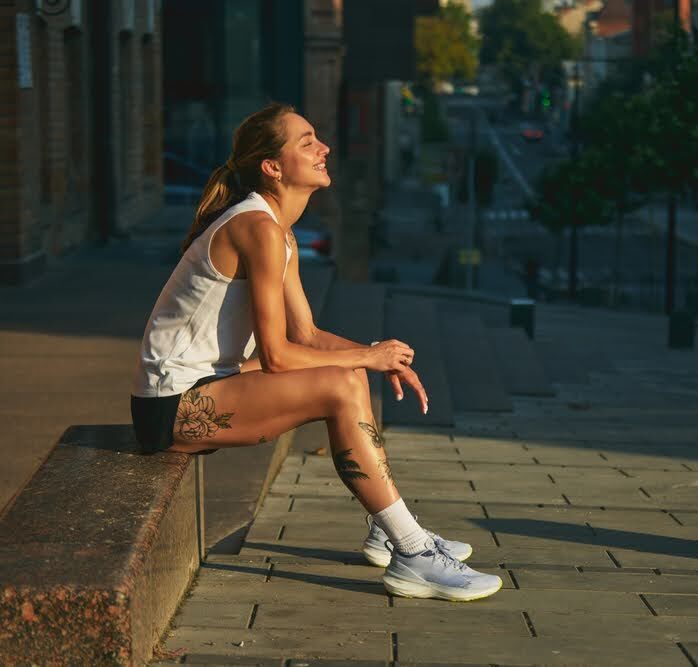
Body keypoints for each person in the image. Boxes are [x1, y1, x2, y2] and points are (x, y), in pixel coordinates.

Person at [129, 103, 501, 602]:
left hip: (211, 386)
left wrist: (378, 354)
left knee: (350, 372)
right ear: (272, 167)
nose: (323, 148)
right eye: (306, 142)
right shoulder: (256, 228)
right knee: (343, 380)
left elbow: (305, 333)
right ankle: (412, 553)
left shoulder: (277, 233)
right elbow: (279, 355)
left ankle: (388, 529)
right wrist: (363, 360)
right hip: (171, 406)